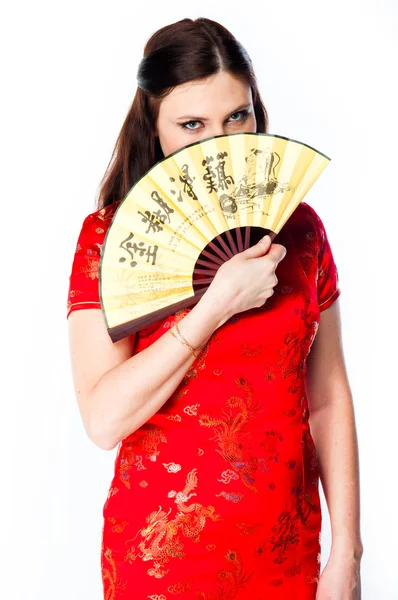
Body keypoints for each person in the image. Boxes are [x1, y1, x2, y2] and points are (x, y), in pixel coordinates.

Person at [66, 17, 363, 600]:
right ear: (153, 126)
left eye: (237, 116)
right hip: (165, 554)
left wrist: (347, 553)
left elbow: (328, 396)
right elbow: (102, 421)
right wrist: (216, 305)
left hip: (289, 549)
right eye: (191, 124)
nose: (220, 142)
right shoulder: (110, 238)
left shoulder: (300, 229)